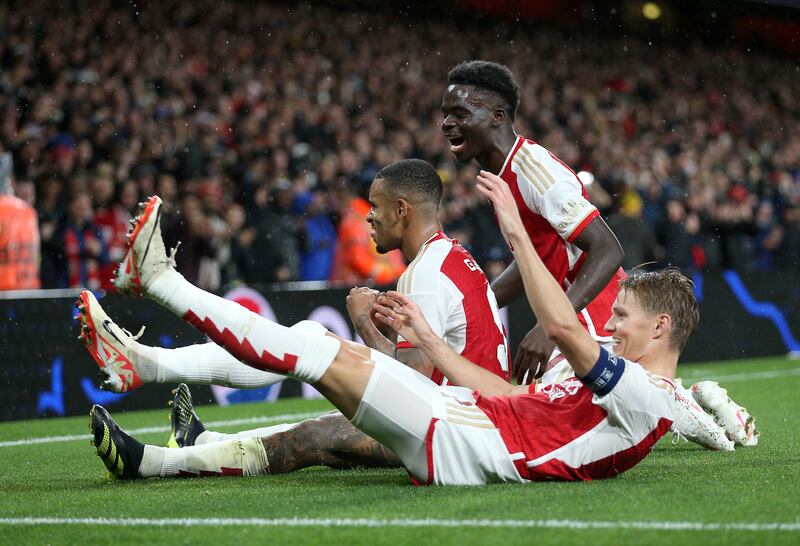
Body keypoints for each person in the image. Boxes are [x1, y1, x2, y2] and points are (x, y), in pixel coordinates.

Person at [85, 171, 688, 484]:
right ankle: (151, 451)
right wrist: (427, 339)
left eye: (623, 318)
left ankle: (160, 288)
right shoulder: (625, 394)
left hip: (469, 442)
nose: (609, 323)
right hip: (468, 413)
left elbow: (561, 325)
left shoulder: (643, 398)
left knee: (319, 357)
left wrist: (514, 229)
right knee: (318, 356)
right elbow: (509, 393)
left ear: (661, 328)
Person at [80, 159, 509, 473]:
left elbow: (409, 383)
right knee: (313, 351)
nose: (368, 217)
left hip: (459, 431)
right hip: (463, 416)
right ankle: (169, 400)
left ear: (402, 210)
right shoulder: (449, 258)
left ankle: (150, 456)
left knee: (315, 425)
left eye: (374, 207)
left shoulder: (427, 274)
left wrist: (362, 325)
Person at [441, 60, 626, 383]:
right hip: (579, 322)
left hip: (599, 323)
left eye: (460, 113)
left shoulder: (535, 172)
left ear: (497, 116)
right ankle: (684, 401)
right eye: (446, 114)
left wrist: (551, 327)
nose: (446, 123)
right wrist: (474, 309)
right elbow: (534, 261)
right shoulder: (503, 174)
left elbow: (607, 249)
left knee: (528, 419)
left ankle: (683, 402)